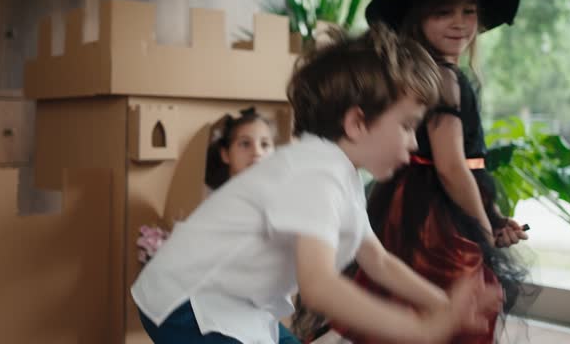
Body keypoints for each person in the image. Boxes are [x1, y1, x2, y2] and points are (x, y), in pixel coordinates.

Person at [130, 25, 504, 343]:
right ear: (357, 124)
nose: (415, 143)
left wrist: (442, 304)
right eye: (407, 126)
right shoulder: (315, 173)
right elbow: (319, 285)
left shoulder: (341, 173)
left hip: (230, 300)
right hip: (187, 302)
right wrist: (418, 330)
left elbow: (378, 261)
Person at [342, 0, 529, 343]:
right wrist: (484, 237)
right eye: (443, 12)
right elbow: (451, 167)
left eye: (469, 11)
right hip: (434, 221)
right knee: (452, 318)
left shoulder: (429, 73)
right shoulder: (445, 78)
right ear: (417, 22)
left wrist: (494, 216)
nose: (460, 23)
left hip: (415, 210)